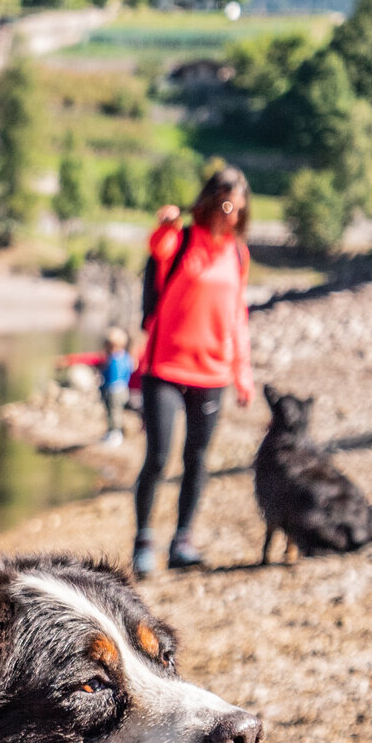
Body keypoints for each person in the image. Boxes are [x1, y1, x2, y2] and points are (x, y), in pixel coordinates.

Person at [132, 165, 254, 577]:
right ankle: (143, 541)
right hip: (165, 366)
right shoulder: (182, 240)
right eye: (223, 204)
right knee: (159, 456)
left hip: (212, 373)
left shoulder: (238, 253)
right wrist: (167, 223)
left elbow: (237, 315)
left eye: (237, 209)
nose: (229, 215)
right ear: (208, 201)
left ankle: (183, 540)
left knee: (197, 458)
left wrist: (243, 373)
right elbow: (158, 247)